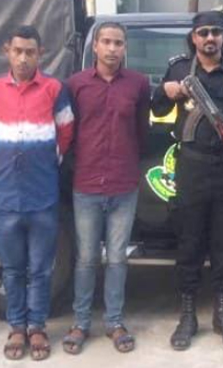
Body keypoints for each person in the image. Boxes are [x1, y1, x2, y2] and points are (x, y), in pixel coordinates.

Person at [151, 10, 223, 352]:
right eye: (203, 33)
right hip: (192, 167)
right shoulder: (178, 69)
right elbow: (157, 109)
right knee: (189, 241)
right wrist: (167, 90)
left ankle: (222, 314)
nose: (210, 38)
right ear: (194, 38)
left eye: (216, 32)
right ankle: (187, 316)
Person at [0, 25, 74, 361]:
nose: (23, 58)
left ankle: (37, 327)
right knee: (13, 268)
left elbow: (66, 131)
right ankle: (17, 326)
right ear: (7, 51)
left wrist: (46, 160)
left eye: (30, 52)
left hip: (43, 196)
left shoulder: (54, 89)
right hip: (5, 197)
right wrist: (3, 161)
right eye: (17, 51)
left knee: (41, 269)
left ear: (40, 54)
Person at [62, 22, 149, 355]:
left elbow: (142, 132)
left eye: (119, 43)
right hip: (86, 185)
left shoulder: (138, 84)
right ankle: (81, 322)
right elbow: (68, 133)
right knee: (85, 259)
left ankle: (114, 322)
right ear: (95, 46)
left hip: (124, 186)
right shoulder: (76, 85)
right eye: (107, 42)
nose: (113, 49)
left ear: (125, 48)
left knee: (116, 259)